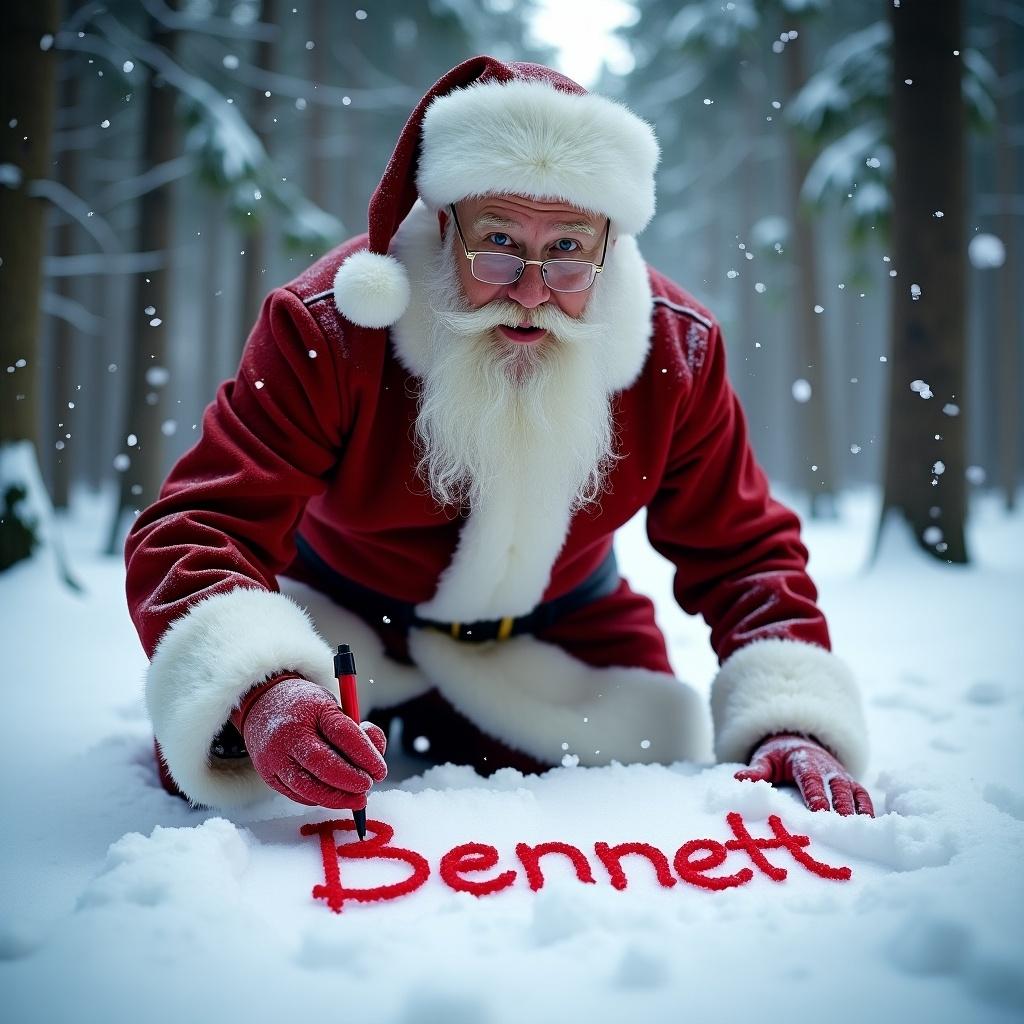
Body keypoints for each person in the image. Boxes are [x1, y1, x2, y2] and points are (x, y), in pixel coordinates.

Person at [125, 56, 873, 817]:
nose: (529, 289)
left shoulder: (676, 349)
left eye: (567, 250)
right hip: (336, 624)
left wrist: (791, 717)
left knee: (647, 783)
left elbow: (743, 547)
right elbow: (197, 525)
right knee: (234, 778)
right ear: (443, 223)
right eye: (499, 240)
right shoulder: (329, 324)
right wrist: (262, 685)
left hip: (560, 632)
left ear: (610, 243)